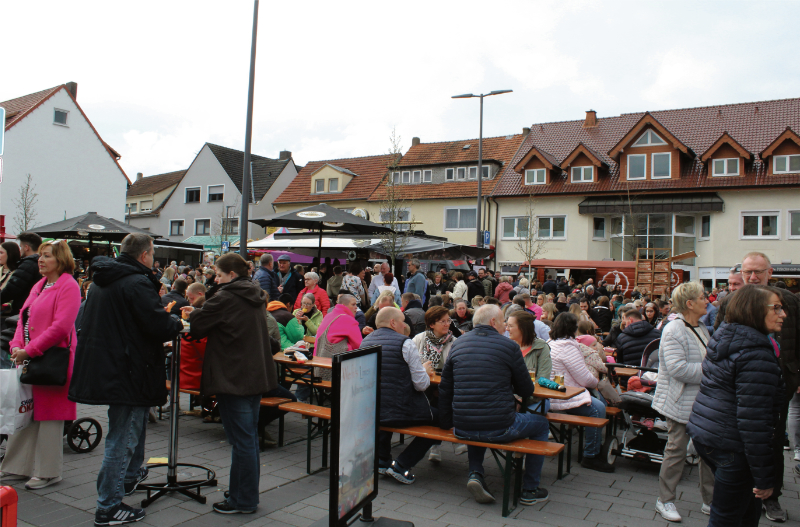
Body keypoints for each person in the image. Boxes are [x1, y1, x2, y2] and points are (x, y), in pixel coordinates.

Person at [68, 234, 183, 525]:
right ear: (144, 255)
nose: (154, 259)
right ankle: (108, 505)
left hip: (111, 366)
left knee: (132, 426)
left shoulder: (102, 282)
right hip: (129, 369)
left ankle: (129, 477)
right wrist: (176, 322)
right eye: (153, 253)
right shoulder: (135, 283)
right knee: (122, 437)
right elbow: (157, 324)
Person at [182, 252, 282, 514]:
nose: (215, 278)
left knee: (243, 440)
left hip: (234, 376)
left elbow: (199, 325)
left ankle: (244, 499)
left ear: (231, 275)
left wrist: (194, 312)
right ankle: (241, 491)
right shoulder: (255, 295)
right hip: (255, 375)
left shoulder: (226, 296)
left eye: (218, 274)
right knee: (247, 438)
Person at [687, 285, 786, 527]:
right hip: (732, 445)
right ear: (754, 311)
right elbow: (754, 421)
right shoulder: (756, 353)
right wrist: (765, 479)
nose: (783, 314)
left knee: (743, 511)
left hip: (710, 434)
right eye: (777, 308)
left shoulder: (727, 337)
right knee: (726, 517)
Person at [438, 305, 550, 506]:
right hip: (500, 426)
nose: (505, 327)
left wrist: (446, 421)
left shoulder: (458, 344)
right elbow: (526, 390)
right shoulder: (509, 347)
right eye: (502, 322)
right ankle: (530, 489)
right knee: (542, 424)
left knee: (477, 415)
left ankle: (475, 473)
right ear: (492, 322)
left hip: (462, 426)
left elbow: (445, 387)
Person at [0, 240, 81, 490]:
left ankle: (48, 472)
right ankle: (15, 467)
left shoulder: (69, 286)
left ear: (61, 260)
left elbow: (61, 327)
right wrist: (15, 345)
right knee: (24, 413)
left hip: (52, 359)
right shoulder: (40, 284)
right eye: (40, 256)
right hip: (31, 357)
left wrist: (29, 350)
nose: (41, 260)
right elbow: (22, 317)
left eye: (47, 256)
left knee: (50, 418)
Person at [738, 252, 800, 522]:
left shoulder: (790, 302)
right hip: (743, 385)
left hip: (781, 383)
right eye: (747, 272)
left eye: (758, 272)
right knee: (743, 440)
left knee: (773, 440)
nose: (752, 277)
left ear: (770, 273)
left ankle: (771, 496)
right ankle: (740, 490)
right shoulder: (733, 302)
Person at [647, 282, 715, 521]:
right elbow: (678, 369)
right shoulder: (674, 329)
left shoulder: (701, 327)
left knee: (707, 452)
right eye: (702, 297)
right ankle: (664, 500)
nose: (707, 300)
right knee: (676, 450)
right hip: (679, 401)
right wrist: (713, 371)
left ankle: (710, 501)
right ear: (689, 303)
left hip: (703, 402)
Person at [365, 307, 438, 484]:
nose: (405, 325)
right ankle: (402, 465)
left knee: (384, 404)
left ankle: (382, 460)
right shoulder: (405, 343)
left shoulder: (365, 341)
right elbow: (421, 385)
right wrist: (425, 371)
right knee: (440, 420)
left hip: (371, 409)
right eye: (403, 321)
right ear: (393, 323)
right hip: (400, 410)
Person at [547, 312, 613, 472]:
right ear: (573, 328)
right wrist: (595, 382)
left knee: (598, 403)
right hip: (563, 396)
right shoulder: (567, 348)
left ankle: (594, 446)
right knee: (599, 408)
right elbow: (584, 378)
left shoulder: (551, 343)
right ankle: (591, 455)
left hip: (553, 394)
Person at [506, 310, 551, 408]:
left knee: (530, 415)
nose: (507, 329)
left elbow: (542, 380)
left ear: (523, 328)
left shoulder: (541, 347)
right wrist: (513, 400)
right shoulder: (507, 347)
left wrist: (522, 401)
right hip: (509, 400)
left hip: (535, 399)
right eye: (507, 325)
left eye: (510, 326)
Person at [1, 232, 43, 317]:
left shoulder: (28, 264)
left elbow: (12, 289)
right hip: (36, 308)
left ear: (26, 247)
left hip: (23, 309)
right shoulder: (42, 262)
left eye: (21, 246)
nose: (20, 250)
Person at [412, 305, 456, 371]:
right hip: (422, 379)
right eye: (443, 321)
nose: (447, 324)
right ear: (431, 324)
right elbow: (410, 362)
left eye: (448, 320)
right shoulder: (419, 339)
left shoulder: (455, 342)